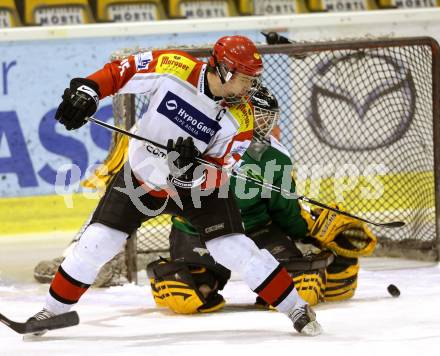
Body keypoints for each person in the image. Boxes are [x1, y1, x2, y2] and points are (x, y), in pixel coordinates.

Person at [28, 35, 322, 336]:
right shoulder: (175, 67)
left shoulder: (242, 117)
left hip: (196, 190)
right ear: (223, 71)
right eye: (246, 80)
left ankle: (296, 307)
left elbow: (220, 172)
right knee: (96, 242)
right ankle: (50, 312)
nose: (250, 88)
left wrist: (189, 172)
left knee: (233, 249)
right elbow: (121, 72)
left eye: (253, 80)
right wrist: (88, 90)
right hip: (142, 177)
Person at [146, 86, 378, 314]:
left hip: (255, 229)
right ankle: (179, 271)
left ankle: (319, 269)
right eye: (257, 118)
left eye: (268, 120)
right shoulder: (196, 144)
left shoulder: (275, 157)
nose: (265, 127)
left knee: (301, 286)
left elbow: (284, 209)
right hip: (199, 229)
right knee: (185, 295)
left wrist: (311, 227)